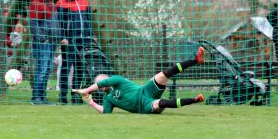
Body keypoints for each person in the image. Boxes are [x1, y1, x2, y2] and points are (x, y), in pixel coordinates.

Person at [73, 47, 206, 114]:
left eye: (100, 84)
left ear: (107, 80)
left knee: (164, 74)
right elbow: (106, 111)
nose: (101, 88)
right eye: (99, 87)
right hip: (143, 106)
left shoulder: (116, 80)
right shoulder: (108, 99)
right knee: (161, 103)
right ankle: (194, 100)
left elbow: (103, 83)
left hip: (145, 90)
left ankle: (195, 60)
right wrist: (90, 102)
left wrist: (87, 90)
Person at [54, 0, 93, 105]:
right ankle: (63, 96)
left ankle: (76, 95)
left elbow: (89, 20)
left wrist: (89, 35)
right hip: (68, 41)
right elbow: (57, 22)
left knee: (80, 68)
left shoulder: (84, 2)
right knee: (66, 67)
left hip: (83, 40)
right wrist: (62, 37)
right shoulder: (61, 3)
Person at [28, 0, 56, 104]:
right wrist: (42, 38)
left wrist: (58, 37)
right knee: (42, 69)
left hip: (52, 42)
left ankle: (43, 97)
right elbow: (33, 24)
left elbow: (55, 23)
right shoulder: (35, 4)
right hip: (43, 43)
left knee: (48, 69)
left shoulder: (50, 4)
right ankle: (36, 97)